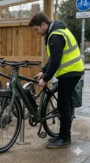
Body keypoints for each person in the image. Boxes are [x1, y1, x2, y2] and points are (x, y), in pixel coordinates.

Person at [29, 12, 85, 149]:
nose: (36, 33)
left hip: (70, 72)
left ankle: (64, 138)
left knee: (63, 105)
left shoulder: (55, 36)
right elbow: (54, 57)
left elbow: (55, 61)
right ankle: (62, 134)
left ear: (43, 24)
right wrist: (43, 70)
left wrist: (46, 79)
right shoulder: (57, 31)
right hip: (71, 70)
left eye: (36, 29)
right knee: (65, 103)